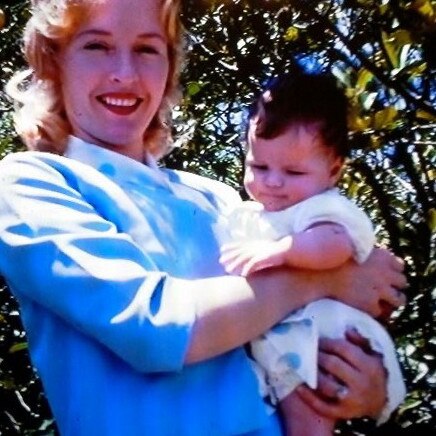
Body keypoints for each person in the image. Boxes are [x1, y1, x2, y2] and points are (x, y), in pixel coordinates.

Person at [0, 0, 406, 435]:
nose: (125, 73)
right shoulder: (31, 182)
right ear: (54, 60)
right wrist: (327, 276)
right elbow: (154, 327)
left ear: (170, 67)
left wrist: (371, 383)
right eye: (97, 46)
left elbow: (329, 313)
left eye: (148, 49)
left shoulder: (215, 197)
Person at [220, 72, 407, 435]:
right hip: (291, 336)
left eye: (293, 171)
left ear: (334, 170)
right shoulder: (247, 215)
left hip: (327, 334)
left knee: (307, 412)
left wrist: (278, 253)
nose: (272, 181)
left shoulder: (324, 208)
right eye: (258, 166)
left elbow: (333, 245)